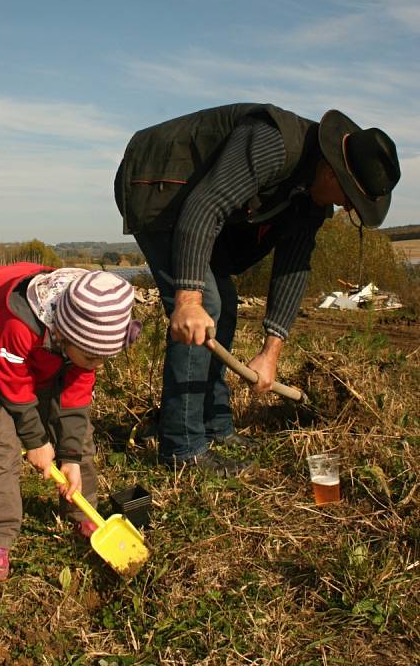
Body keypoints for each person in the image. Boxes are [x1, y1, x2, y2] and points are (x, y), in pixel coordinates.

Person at [115, 103, 401, 474]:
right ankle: (181, 448)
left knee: (225, 304)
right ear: (332, 172)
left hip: (195, 204)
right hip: (157, 184)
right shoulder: (274, 143)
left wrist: (271, 351)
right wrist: (186, 301)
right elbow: (206, 205)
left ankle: (214, 425)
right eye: (350, 198)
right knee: (207, 305)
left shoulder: (311, 196)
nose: (346, 207)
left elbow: (293, 267)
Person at [0, 255, 141, 583]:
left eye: (103, 358)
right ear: (66, 335)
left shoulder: (87, 333)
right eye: (92, 357)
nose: (96, 365)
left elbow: (75, 401)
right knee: (0, 440)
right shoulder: (17, 323)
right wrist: (36, 441)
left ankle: (83, 512)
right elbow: (12, 385)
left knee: (78, 439)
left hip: (47, 357)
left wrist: (71, 459)